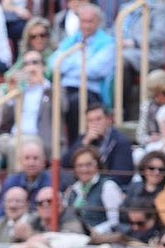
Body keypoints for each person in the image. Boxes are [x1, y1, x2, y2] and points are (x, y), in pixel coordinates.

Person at [45, 2, 112, 145]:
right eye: (83, 21)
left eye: (90, 21)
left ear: (98, 22)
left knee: (75, 102)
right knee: (46, 100)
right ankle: (51, 146)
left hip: (91, 91)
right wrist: (82, 62)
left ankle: (77, 145)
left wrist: (68, 62)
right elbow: (53, 63)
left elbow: (94, 70)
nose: (86, 26)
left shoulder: (107, 42)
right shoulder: (72, 39)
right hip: (65, 88)